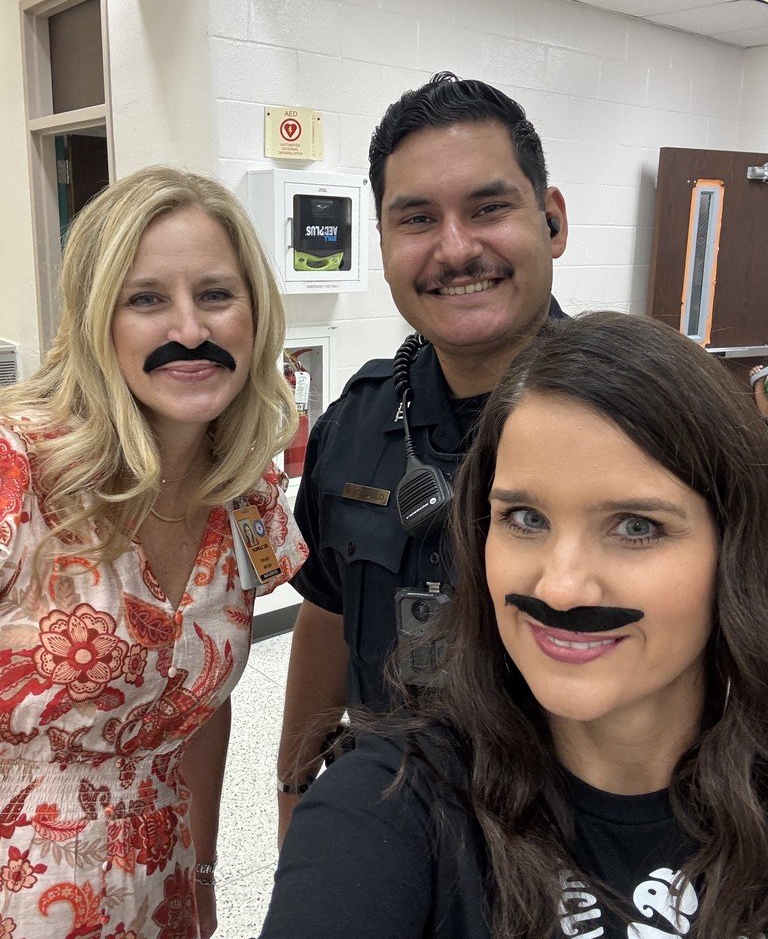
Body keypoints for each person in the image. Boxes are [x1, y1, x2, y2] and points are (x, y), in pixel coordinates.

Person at [261, 311, 768, 939]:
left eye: (636, 526)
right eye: (526, 518)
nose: (560, 588)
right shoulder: (387, 806)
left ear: (735, 547)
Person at [0, 167, 307, 939]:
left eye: (215, 294)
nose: (191, 330)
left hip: (157, 884)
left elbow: (198, 706)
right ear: (95, 318)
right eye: (146, 299)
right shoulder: (17, 471)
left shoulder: (247, 494)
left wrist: (202, 874)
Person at [276, 72, 569, 839]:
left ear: (552, 221)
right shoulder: (357, 421)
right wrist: (295, 789)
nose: (456, 248)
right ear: (382, 245)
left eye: (488, 208)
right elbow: (326, 614)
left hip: (565, 845)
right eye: (417, 219)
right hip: (386, 830)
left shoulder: (641, 419)